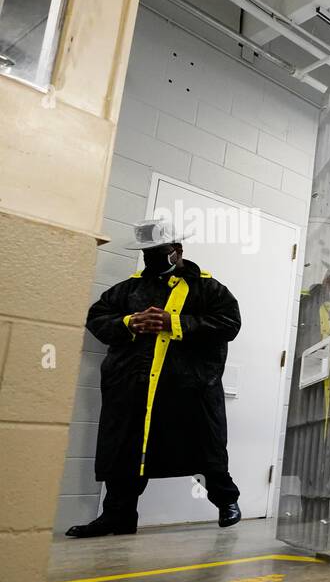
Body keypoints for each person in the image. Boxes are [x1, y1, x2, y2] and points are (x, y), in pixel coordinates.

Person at [66, 219, 243, 538]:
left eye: (158, 251)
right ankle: (117, 516)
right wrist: (129, 322)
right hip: (133, 387)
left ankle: (226, 502)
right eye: (147, 253)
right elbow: (96, 317)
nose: (152, 258)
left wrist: (175, 322)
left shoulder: (208, 288)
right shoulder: (128, 289)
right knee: (125, 451)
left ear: (177, 251)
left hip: (188, 388)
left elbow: (229, 323)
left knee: (204, 447)